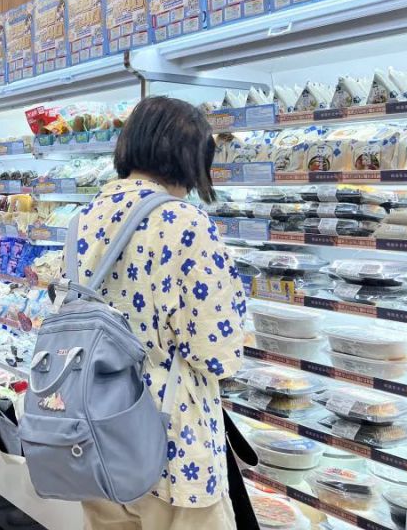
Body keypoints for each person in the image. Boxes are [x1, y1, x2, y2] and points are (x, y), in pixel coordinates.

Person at [75, 97, 245, 530]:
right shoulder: (186, 223)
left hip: (96, 431)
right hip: (170, 443)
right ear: (189, 156)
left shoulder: (86, 216)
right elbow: (216, 351)